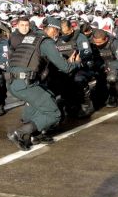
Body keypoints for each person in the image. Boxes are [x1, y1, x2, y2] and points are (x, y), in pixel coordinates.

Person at [6, 17, 80, 150]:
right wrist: (76, 63)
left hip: (13, 81)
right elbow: (65, 67)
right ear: (52, 29)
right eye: (57, 31)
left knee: (49, 96)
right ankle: (21, 133)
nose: (57, 35)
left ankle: (36, 134)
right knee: (54, 114)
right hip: (25, 84)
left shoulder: (31, 37)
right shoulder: (45, 42)